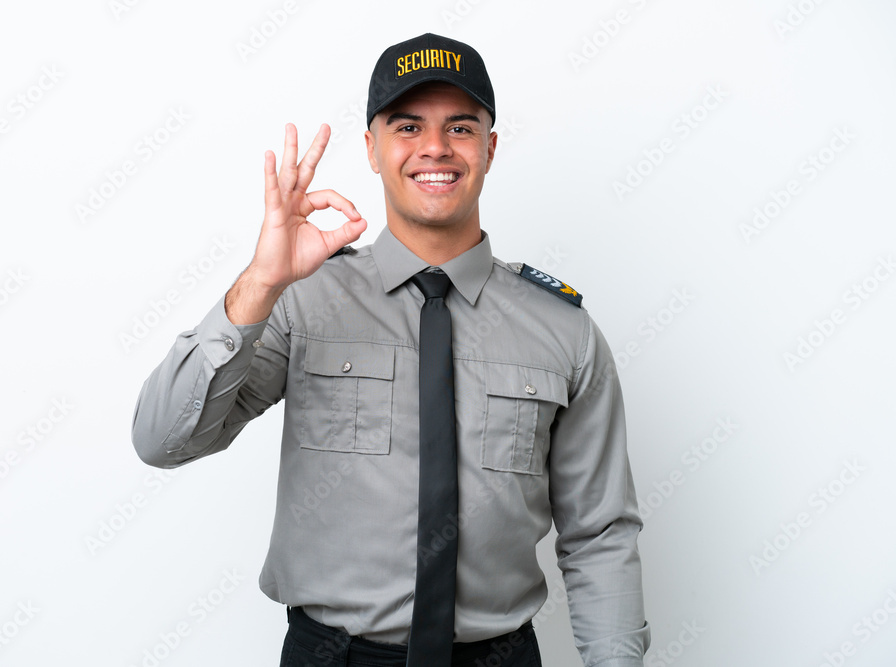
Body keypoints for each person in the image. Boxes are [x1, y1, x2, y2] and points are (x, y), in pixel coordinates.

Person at [132, 32, 650, 667]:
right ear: (372, 149)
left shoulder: (562, 330)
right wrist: (260, 283)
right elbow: (164, 441)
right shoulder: (300, 300)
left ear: (489, 148)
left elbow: (599, 535)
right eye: (408, 125)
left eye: (460, 127)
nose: (435, 147)